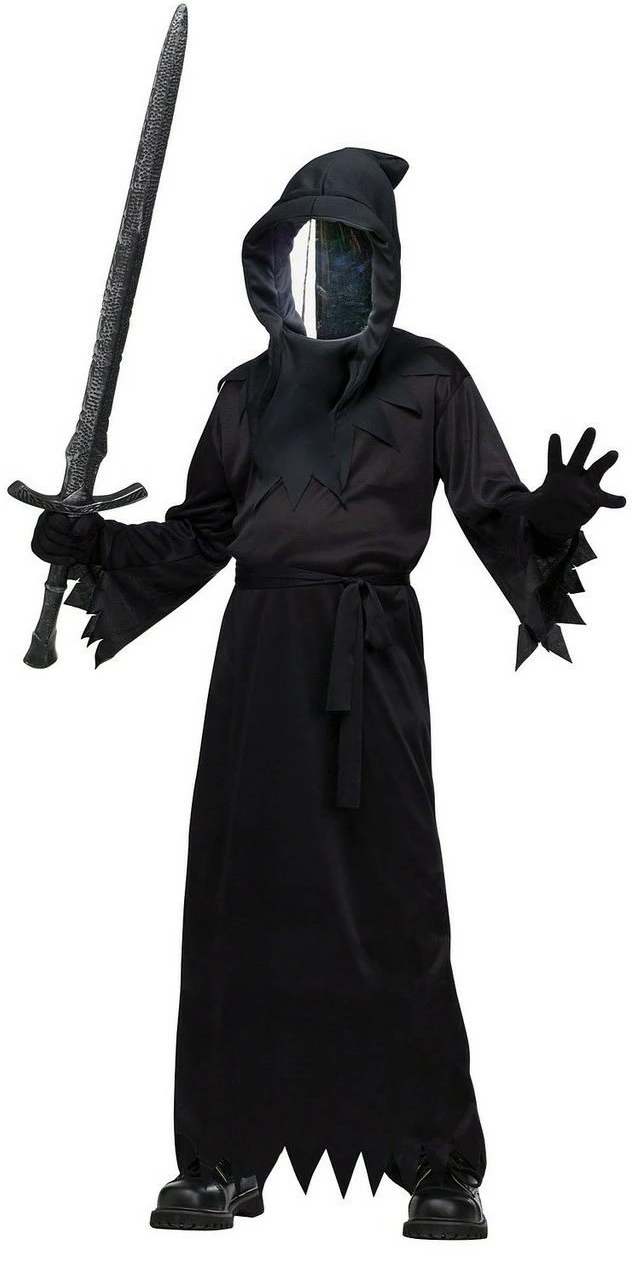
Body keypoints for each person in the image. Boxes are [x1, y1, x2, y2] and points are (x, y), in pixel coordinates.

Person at [32, 147, 625, 1240]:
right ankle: (222, 1155)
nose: (336, 271)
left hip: (372, 650)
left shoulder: (431, 379)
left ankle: (437, 1159)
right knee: (242, 894)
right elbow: (202, 533)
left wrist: (547, 517)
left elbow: (493, 510)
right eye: (318, 248)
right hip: (259, 654)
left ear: (385, 263)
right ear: (281, 261)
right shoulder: (244, 394)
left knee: (393, 893)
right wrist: (95, 545)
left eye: (356, 249)